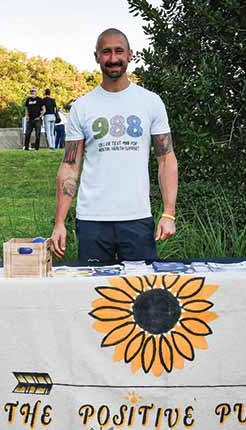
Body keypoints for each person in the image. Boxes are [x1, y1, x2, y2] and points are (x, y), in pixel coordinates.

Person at [49, 28, 178, 263]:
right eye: (106, 52)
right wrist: (59, 222)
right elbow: (69, 166)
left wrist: (169, 213)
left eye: (119, 51)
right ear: (97, 56)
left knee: (142, 294)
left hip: (137, 218)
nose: (113, 58)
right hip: (92, 221)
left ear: (130, 55)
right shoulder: (82, 107)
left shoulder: (150, 102)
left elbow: (166, 159)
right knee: (93, 294)